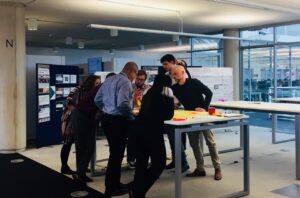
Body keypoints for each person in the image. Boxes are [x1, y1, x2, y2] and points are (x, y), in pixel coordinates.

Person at [94, 62, 138, 197]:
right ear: (131, 72)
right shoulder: (125, 82)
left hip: (107, 120)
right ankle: (111, 187)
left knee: (115, 153)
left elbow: (97, 99)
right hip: (118, 122)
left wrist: (105, 110)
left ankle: (115, 183)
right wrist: (131, 117)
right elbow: (123, 104)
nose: (134, 78)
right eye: (135, 75)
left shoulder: (109, 80)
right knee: (116, 155)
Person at [171, 65, 222, 180]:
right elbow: (181, 99)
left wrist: (204, 108)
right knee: (194, 144)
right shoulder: (175, 88)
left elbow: (209, 93)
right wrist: (177, 105)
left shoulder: (194, 82)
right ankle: (200, 168)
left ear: (183, 72)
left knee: (210, 142)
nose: (173, 76)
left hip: (202, 116)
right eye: (172, 74)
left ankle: (217, 168)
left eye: (176, 74)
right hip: (189, 117)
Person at [128, 74, 174, 198]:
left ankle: (136, 192)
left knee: (141, 164)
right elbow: (169, 115)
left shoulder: (149, 92)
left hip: (137, 130)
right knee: (159, 164)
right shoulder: (166, 93)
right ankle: (137, 189)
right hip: (152, 133)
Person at [160, 54, 189, 171]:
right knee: (172, 137)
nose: (165, 67)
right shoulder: (168, 76)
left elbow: (185, 91)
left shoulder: (181, 73)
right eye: (163, 65)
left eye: (166, 64)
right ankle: (176, 161)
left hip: (179, 109)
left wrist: (179, 104)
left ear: (173, 62)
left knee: (177, 137)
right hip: (170, 108)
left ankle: (182, 162)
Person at [71, 75, 101, 183]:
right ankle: (80, 173)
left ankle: (80, 171)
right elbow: (70, 100)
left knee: (83, 146)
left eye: (99, 83)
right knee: (88, 146)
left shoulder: (97, 89)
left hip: (84, 116)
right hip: (82, 117)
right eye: (96, 82)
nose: (97, 84)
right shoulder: (81, 89)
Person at [127, 69, 151, 168]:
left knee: (144, 139)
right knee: (132, 139)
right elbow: (124, 101)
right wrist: (133, 95)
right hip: (131, 115)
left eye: (142, 80)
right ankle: (131, 160)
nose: (140, 82)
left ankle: (141, 159)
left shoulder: (147, 88)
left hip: (143, 116)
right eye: (138, 79)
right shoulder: (129, 87)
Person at [60, 99, 76, 175]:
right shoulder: (69, 111)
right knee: (66, 147)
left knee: (67, 147)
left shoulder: (68, 110)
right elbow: (64, 120)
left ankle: (64, 166)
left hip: (69, 130)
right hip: (68, 130)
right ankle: (64, 166)